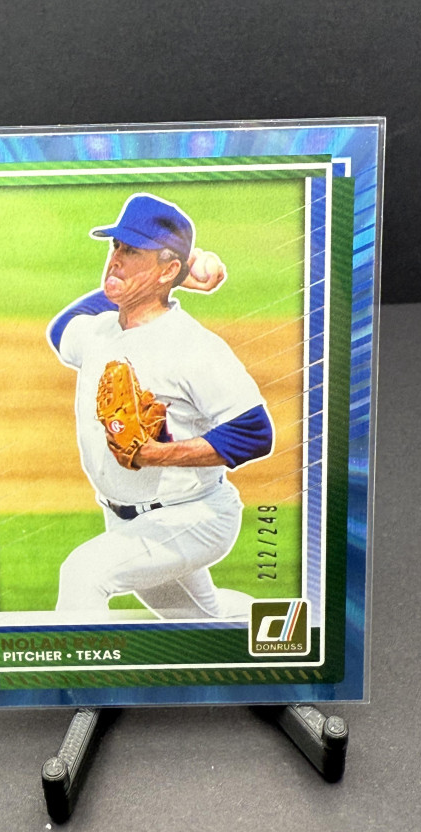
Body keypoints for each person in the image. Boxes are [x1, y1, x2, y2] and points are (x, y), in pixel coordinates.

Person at [47, 193, 274, 621]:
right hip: (128, 520)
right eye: (116, 246)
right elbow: (61, 328)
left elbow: (254, 433)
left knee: (83, 574)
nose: (116, 259)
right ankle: (286, 625)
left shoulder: (193, 347)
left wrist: (158, 454)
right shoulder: (98, 333)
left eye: (133, 251)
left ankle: (77, 670)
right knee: (200, 619)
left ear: (167, 268)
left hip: (193, 516)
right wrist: (172, 278)